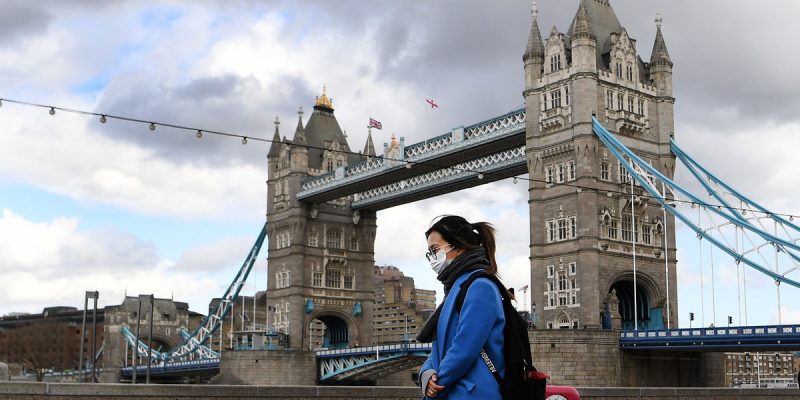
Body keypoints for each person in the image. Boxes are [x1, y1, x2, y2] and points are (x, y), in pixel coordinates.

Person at [417, 215, 506, 399]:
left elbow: (464, 349)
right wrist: (426, 375)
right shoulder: (455, 288)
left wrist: (438, 385)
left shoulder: (481, 287)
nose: (432, 258)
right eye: (429, 253)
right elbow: (439, 349)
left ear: (459, 247)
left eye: (435, 250)